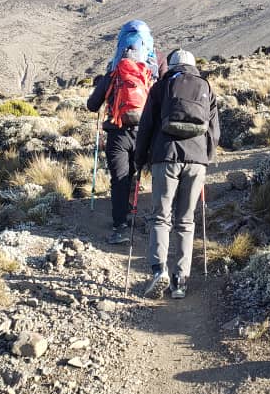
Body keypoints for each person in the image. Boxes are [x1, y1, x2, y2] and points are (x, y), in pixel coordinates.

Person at [134, 49, 220, 299]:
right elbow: (214, 132)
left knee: (161, 217)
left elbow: (146, 127)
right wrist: (206, 157)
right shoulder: (206, 87)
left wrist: (141, 160)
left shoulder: (161, 87)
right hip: (196, 161)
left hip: (165, 157)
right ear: (193, 66)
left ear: (170, 66)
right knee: (186, 220)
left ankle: (158, 270)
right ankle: (180, 280)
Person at [87, 20, 167, 245]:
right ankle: (154, 221)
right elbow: (164, 92)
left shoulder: (115, 67)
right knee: (151, 173)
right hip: (146, 131)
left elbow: (93, 104)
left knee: (119, 178)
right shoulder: (155, 62)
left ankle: (120, 225)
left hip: (118, 131)